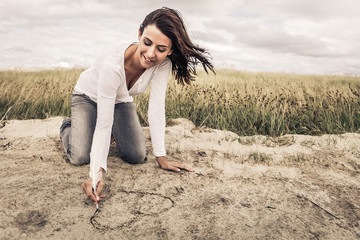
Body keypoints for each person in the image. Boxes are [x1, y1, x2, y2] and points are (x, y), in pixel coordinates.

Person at [60, 7, 215, 206]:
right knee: (80, 155)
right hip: (87, 96)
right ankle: (67, 126)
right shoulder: (112, 65)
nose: (151, 54)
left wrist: (162, 157)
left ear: (170, 50)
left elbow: (157, 108)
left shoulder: (163, 64)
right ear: (140, 34)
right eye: (147, 43)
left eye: (161, 49)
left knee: (137, 155)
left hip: (120, 100)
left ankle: (101, 130)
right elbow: (104, 124)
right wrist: (96, 174)